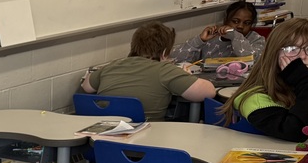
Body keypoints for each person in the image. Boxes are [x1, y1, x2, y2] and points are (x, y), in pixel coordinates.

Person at [220, 17, 308, 141]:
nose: (303, 56)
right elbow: (297, 132)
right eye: (292, 49)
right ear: (274, 53)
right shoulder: (254, 99)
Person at [81, 21, 215, 120]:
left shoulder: (112, 66)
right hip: (147, 141)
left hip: (103, 142)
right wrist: (185, 76)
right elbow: (208, 92)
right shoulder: (165, 70)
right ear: (164, 53)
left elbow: (86, 86)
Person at [171, 1, 266, 64]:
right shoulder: (213, 37)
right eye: (235, 21)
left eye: (247, 23)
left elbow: (252, 59)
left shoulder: (256, 39)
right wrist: (200, 40)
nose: (240, 26)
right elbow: (176, 59)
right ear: (226, 20)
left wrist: (235, 36)